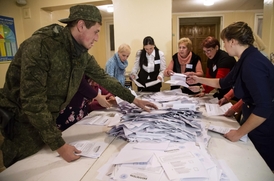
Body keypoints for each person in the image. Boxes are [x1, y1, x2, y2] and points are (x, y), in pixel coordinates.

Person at [0, 5, 157, 168]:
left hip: (48, 123)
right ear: (81, 26)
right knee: (24, 168)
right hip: (23, 126)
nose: (97, 38)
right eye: (96, 31)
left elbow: (103, 78)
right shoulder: (41, 46)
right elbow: (33, 102)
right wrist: (60, 146)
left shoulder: (80, 54)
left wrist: (134, 100)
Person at [187, 21, 274, 171]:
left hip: (264, 125)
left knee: (260, 167)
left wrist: (238, 133)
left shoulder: (252, 63)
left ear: (232, 41)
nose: (224, 46)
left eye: (225, 42)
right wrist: (198, 79)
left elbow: (264, 107)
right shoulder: (245, 58)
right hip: (252, 117)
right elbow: (223, 82)